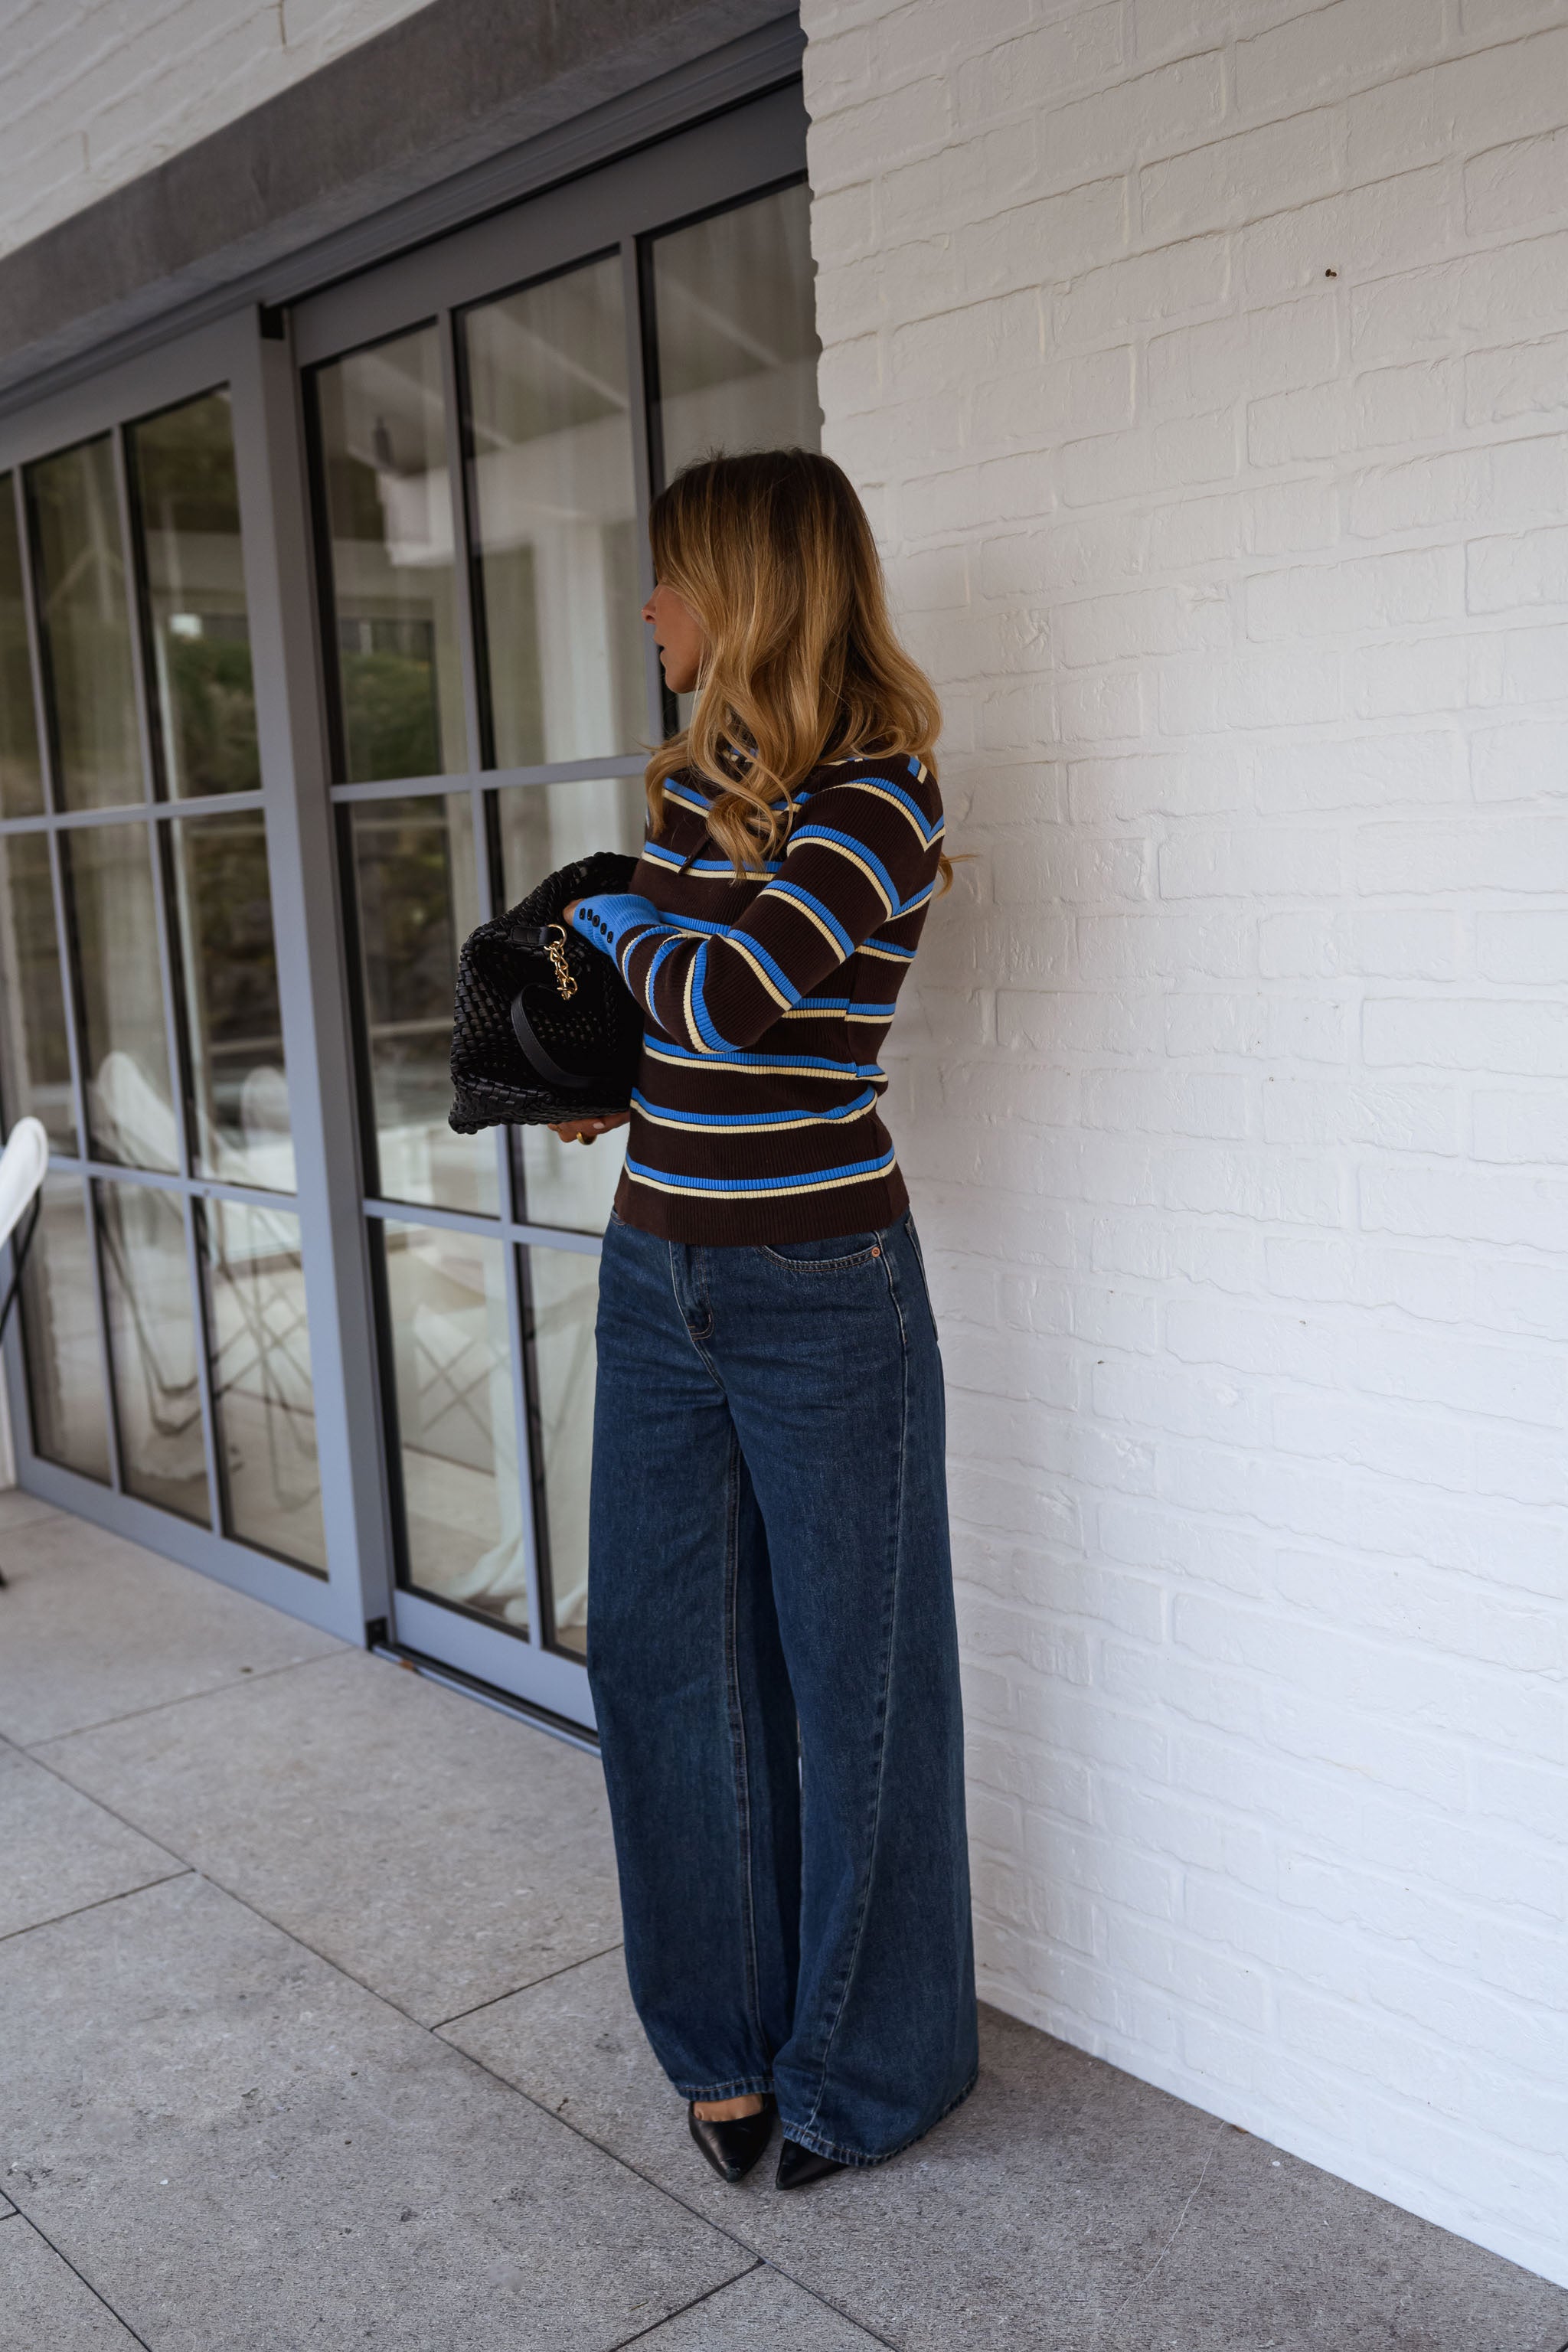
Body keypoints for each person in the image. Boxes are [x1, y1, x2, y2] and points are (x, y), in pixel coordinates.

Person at [553, 449, 977, 2192]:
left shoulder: (882, 799)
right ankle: (720, 2052)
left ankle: (866, 2078)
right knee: (660, 1671)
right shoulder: (692, 793)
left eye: (669, 579)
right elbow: (678, 1030)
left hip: (821, 1295)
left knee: (853, 1689)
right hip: (657, 1276)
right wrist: (593, 1064)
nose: (648, 611)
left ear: (743, 593)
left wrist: (604, 925)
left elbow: (722, 997)